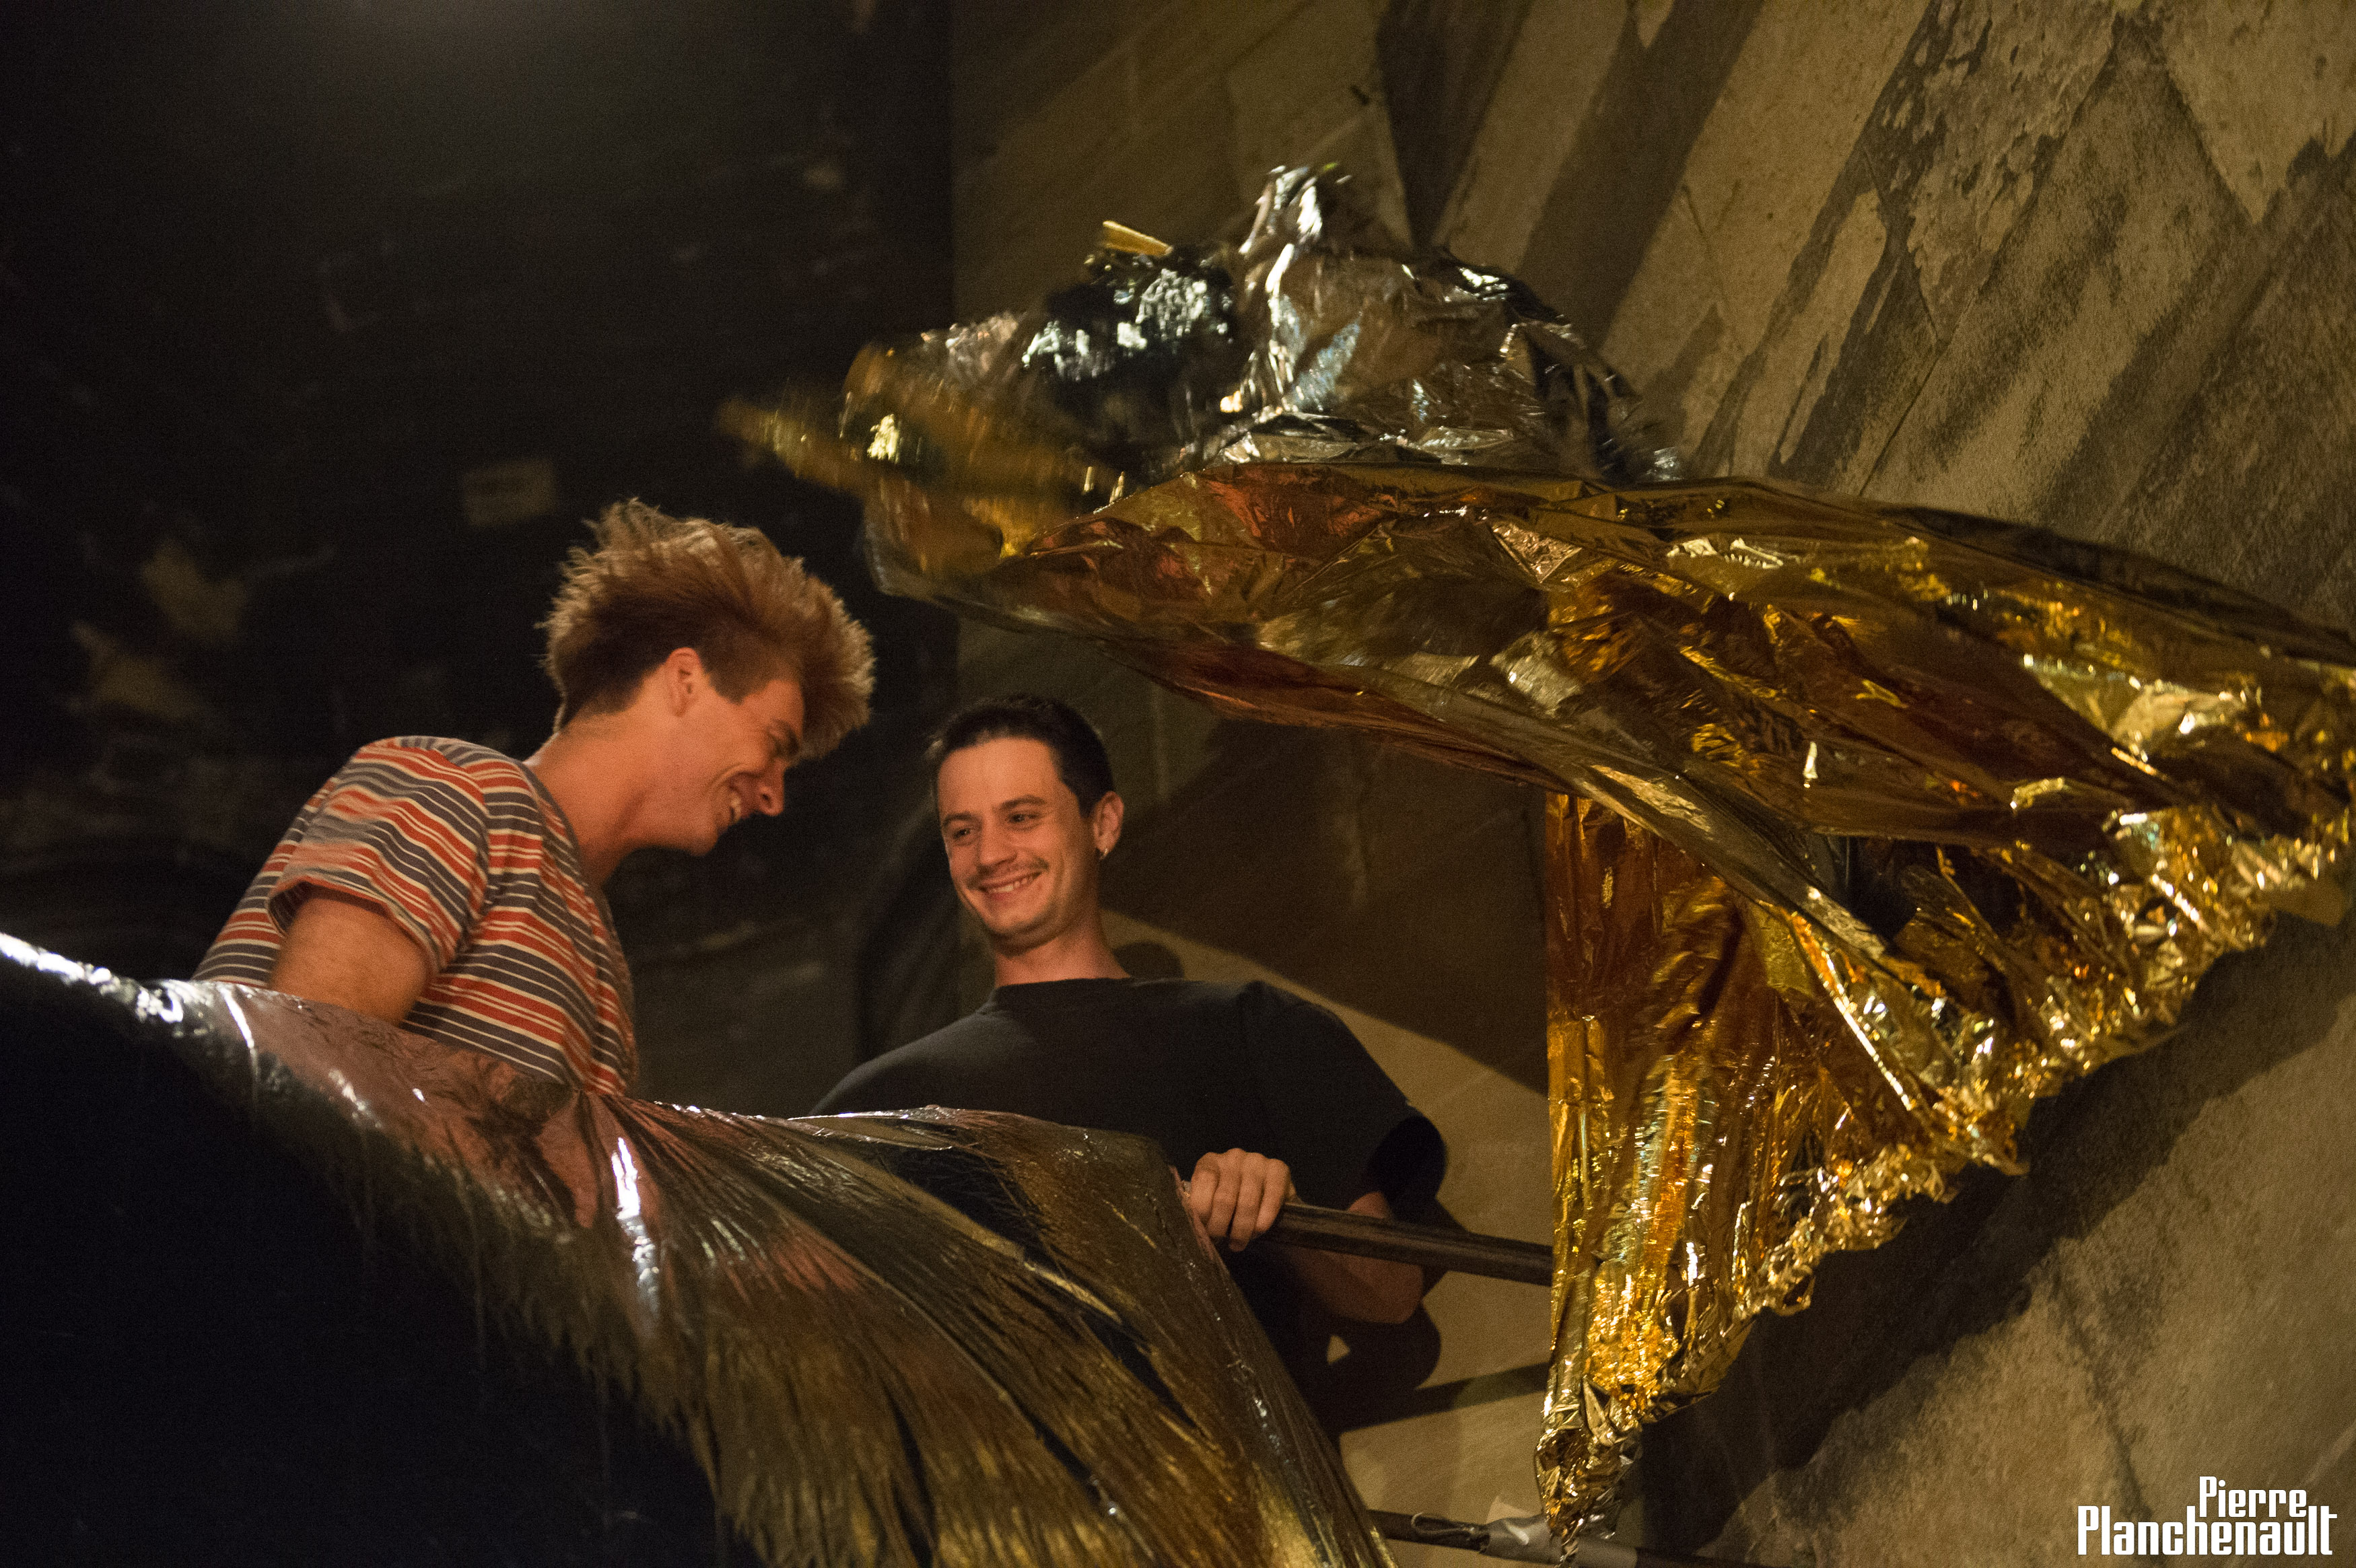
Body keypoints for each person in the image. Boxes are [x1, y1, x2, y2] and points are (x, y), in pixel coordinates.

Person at [815, 694, 1445, 1356]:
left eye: (1021, 817)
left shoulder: (1252, 1030)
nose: (990, 854)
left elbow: (1389, 1292)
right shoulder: (882, 1102)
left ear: (1104, 823)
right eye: (962, 832)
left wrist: (1283, 1214)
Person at [197, 499, 872, 1093]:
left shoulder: (600, 960)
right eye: (774, 743)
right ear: (685, 680)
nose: (773, 795)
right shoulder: (457, 787)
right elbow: (303, 1076)